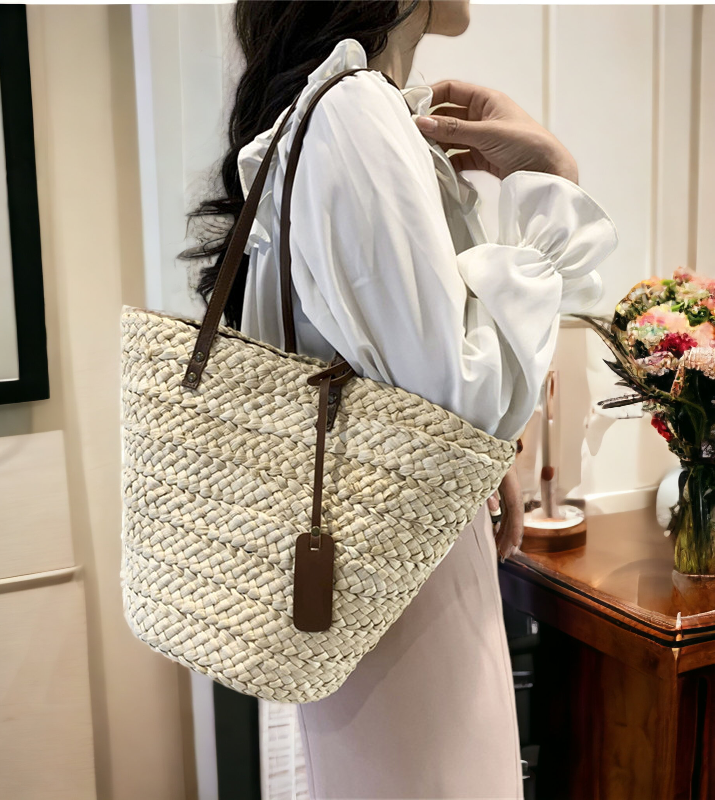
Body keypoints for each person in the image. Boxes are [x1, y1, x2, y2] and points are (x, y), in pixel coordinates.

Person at [182, 2, 618, 797]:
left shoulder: (349, 106)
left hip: (394, 554)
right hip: (400, 582)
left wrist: (485, 455)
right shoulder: (351, 109)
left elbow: (417, 381)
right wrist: (551, 176)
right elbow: (453, 391)